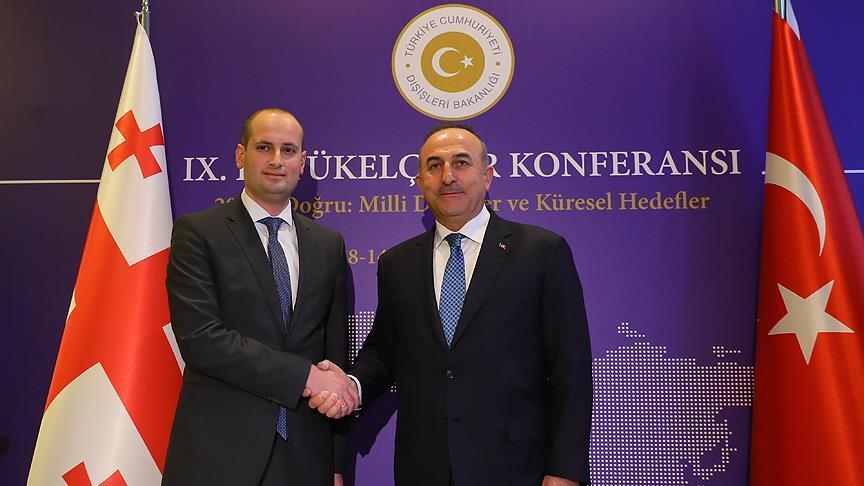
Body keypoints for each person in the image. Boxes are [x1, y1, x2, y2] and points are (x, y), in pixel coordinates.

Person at [311, 123, 593, 485]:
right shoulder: (397, 263)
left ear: (487, 176)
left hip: (517, 466)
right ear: (420, 182)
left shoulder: (541, 252)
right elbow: (385, 351)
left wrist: (565, 471)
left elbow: (571, 370)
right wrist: (352, 385)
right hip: (424, 466)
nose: (448, 176)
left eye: (461, 162)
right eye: (434, 165)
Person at [162, 108, 358, 486]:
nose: (276, 160)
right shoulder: (198, 233)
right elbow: (201, 339)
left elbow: (333, 356)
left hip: (306, 456)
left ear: (302, 162)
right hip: (219, 453)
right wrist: (305, 376)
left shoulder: (327, 245)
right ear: (241, 155)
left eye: (289, 150)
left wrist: (335, 463)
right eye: (264, 147)